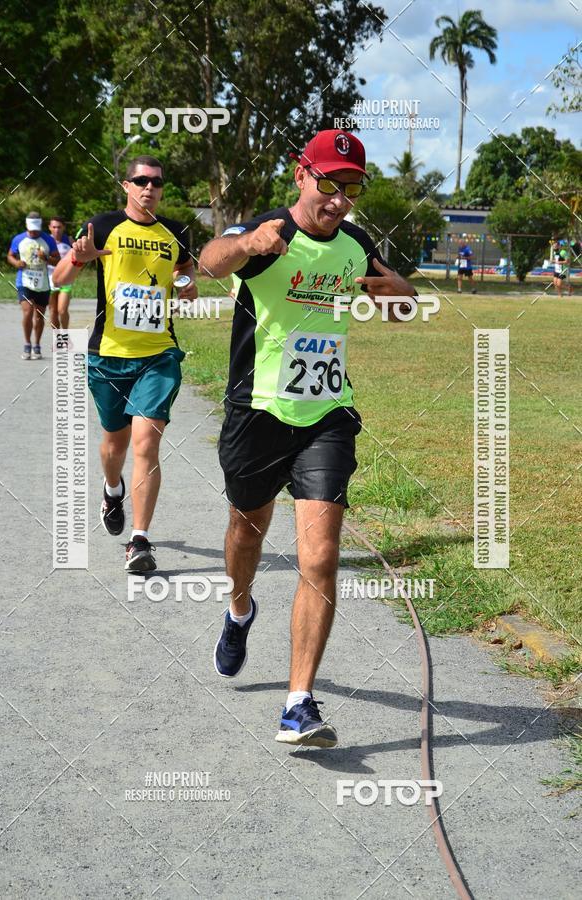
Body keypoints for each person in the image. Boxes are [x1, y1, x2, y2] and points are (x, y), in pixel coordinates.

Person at [199, 129, 416, 748]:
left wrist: (403, 297)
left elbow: (397, 301)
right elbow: (210, 261)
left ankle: (298, 703)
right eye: (330, 185)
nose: (340, 200)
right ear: (301, 175)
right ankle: (240, 608)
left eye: (352, 189)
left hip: (327, 414)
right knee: (246, 530)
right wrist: (246, 243)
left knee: (319, 556)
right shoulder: (269, 233)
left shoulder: (355, 245)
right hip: (258, 412)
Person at [52, 156, 197, 572]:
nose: (149, 187)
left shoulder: (175, 231)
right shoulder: (103, 225)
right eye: (141, 180)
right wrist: (79, 257)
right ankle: (112, 489)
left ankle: (140, 540)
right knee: (114, 445)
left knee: (146, 442)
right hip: (109, 354)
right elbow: (59, 279)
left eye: (157, 182)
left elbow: (186, 271)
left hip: (159, 354)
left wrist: (186, 285)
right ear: (126, 185)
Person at [7, 212, 60, 359]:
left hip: (43, 283)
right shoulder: (18, 239)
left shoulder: (48, 240)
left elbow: (58, 260)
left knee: (39, 317)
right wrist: (16, 263)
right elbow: (10, 255)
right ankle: (27, 344)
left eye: (36, 229)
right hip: (24, 282)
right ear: (26, 226)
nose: (34, 232)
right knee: (28, 312)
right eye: (31, 229)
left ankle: (37, 345)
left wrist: (46, 258)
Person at [47, 216, 73, 329]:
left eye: (59, 227)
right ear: (49, 227)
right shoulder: (45, 240)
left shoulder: (69, 241)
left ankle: (65, 333)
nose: (56, 230)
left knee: (62, 310)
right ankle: (57, 337)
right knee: (53, 311)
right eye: (54, 227)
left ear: (64, 227)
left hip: (66, 280)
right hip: (49, 279)